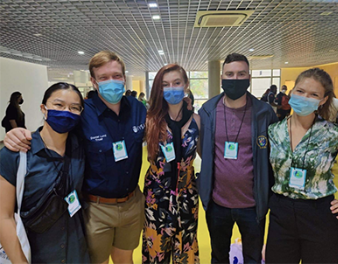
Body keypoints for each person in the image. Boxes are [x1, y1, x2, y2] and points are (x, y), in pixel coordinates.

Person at [4, 51, 147, 264]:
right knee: (96, 259)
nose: (112, 82)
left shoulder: (137, 108)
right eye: (104, 77)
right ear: (93, 81)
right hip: (96, 207)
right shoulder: (83, 113)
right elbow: (55, 133)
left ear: (124, 77)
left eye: (117, 76)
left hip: (132, 202)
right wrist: (19, 133)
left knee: (125, 257)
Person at [198, 53, 278, 264]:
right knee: (218, 256)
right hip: (217, 203)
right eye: (230, 74)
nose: (235, 79)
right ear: (222, 78)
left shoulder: (264, 112)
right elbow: (202, 149)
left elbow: (273, 154)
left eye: (241, 74)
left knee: (253, 257)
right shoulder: (208, 111)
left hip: (253, 205)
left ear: (249, 78)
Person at [266, 68, 338, 264]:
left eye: (313, 94)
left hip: (319, 215)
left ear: (322, 100)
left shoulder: (332, 133)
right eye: (300, 91)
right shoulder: (273, 131)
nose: (305, 98)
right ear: (292, 92)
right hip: (281, 213)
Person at [0, 83, 90, 264]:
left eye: (74, 108)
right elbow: (4, 216)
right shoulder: (16, 154)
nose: (66, 112)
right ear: (44, 108)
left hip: (76, 251)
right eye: (59, 105)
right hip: (35, 252)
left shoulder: (81, 148)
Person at [142, 64, 200, 264]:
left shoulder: (197, 121)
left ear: (186, 85)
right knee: (156, 250)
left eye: (176, 83)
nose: (171, 88)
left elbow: (208, 157)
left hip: (186, 195)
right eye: (165, 84)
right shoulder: (150, 120)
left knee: (185, 247)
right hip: (156, 197)